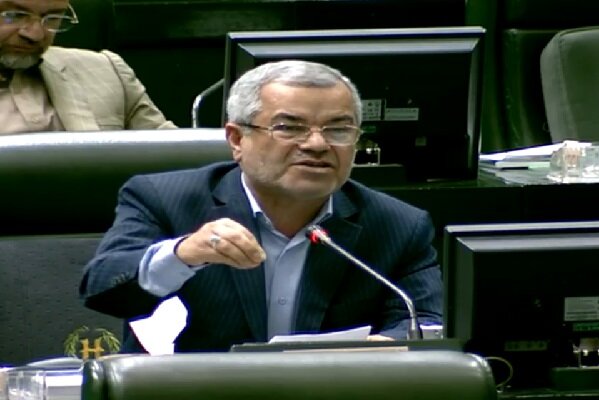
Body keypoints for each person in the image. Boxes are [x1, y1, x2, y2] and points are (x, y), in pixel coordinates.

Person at [80, 59, 443, 352]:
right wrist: (183, 254)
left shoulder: (399, 224)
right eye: (289, 127)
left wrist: (392, 346)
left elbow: (427, 322)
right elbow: (103, 290)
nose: (317, 145)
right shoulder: (163, 199)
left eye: (338, 130)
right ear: (237, 139)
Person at [0, 0, 176, 134]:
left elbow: (176, 154)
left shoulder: (107, 70)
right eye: (14, 15)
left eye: (53, 18)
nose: (36, 34)